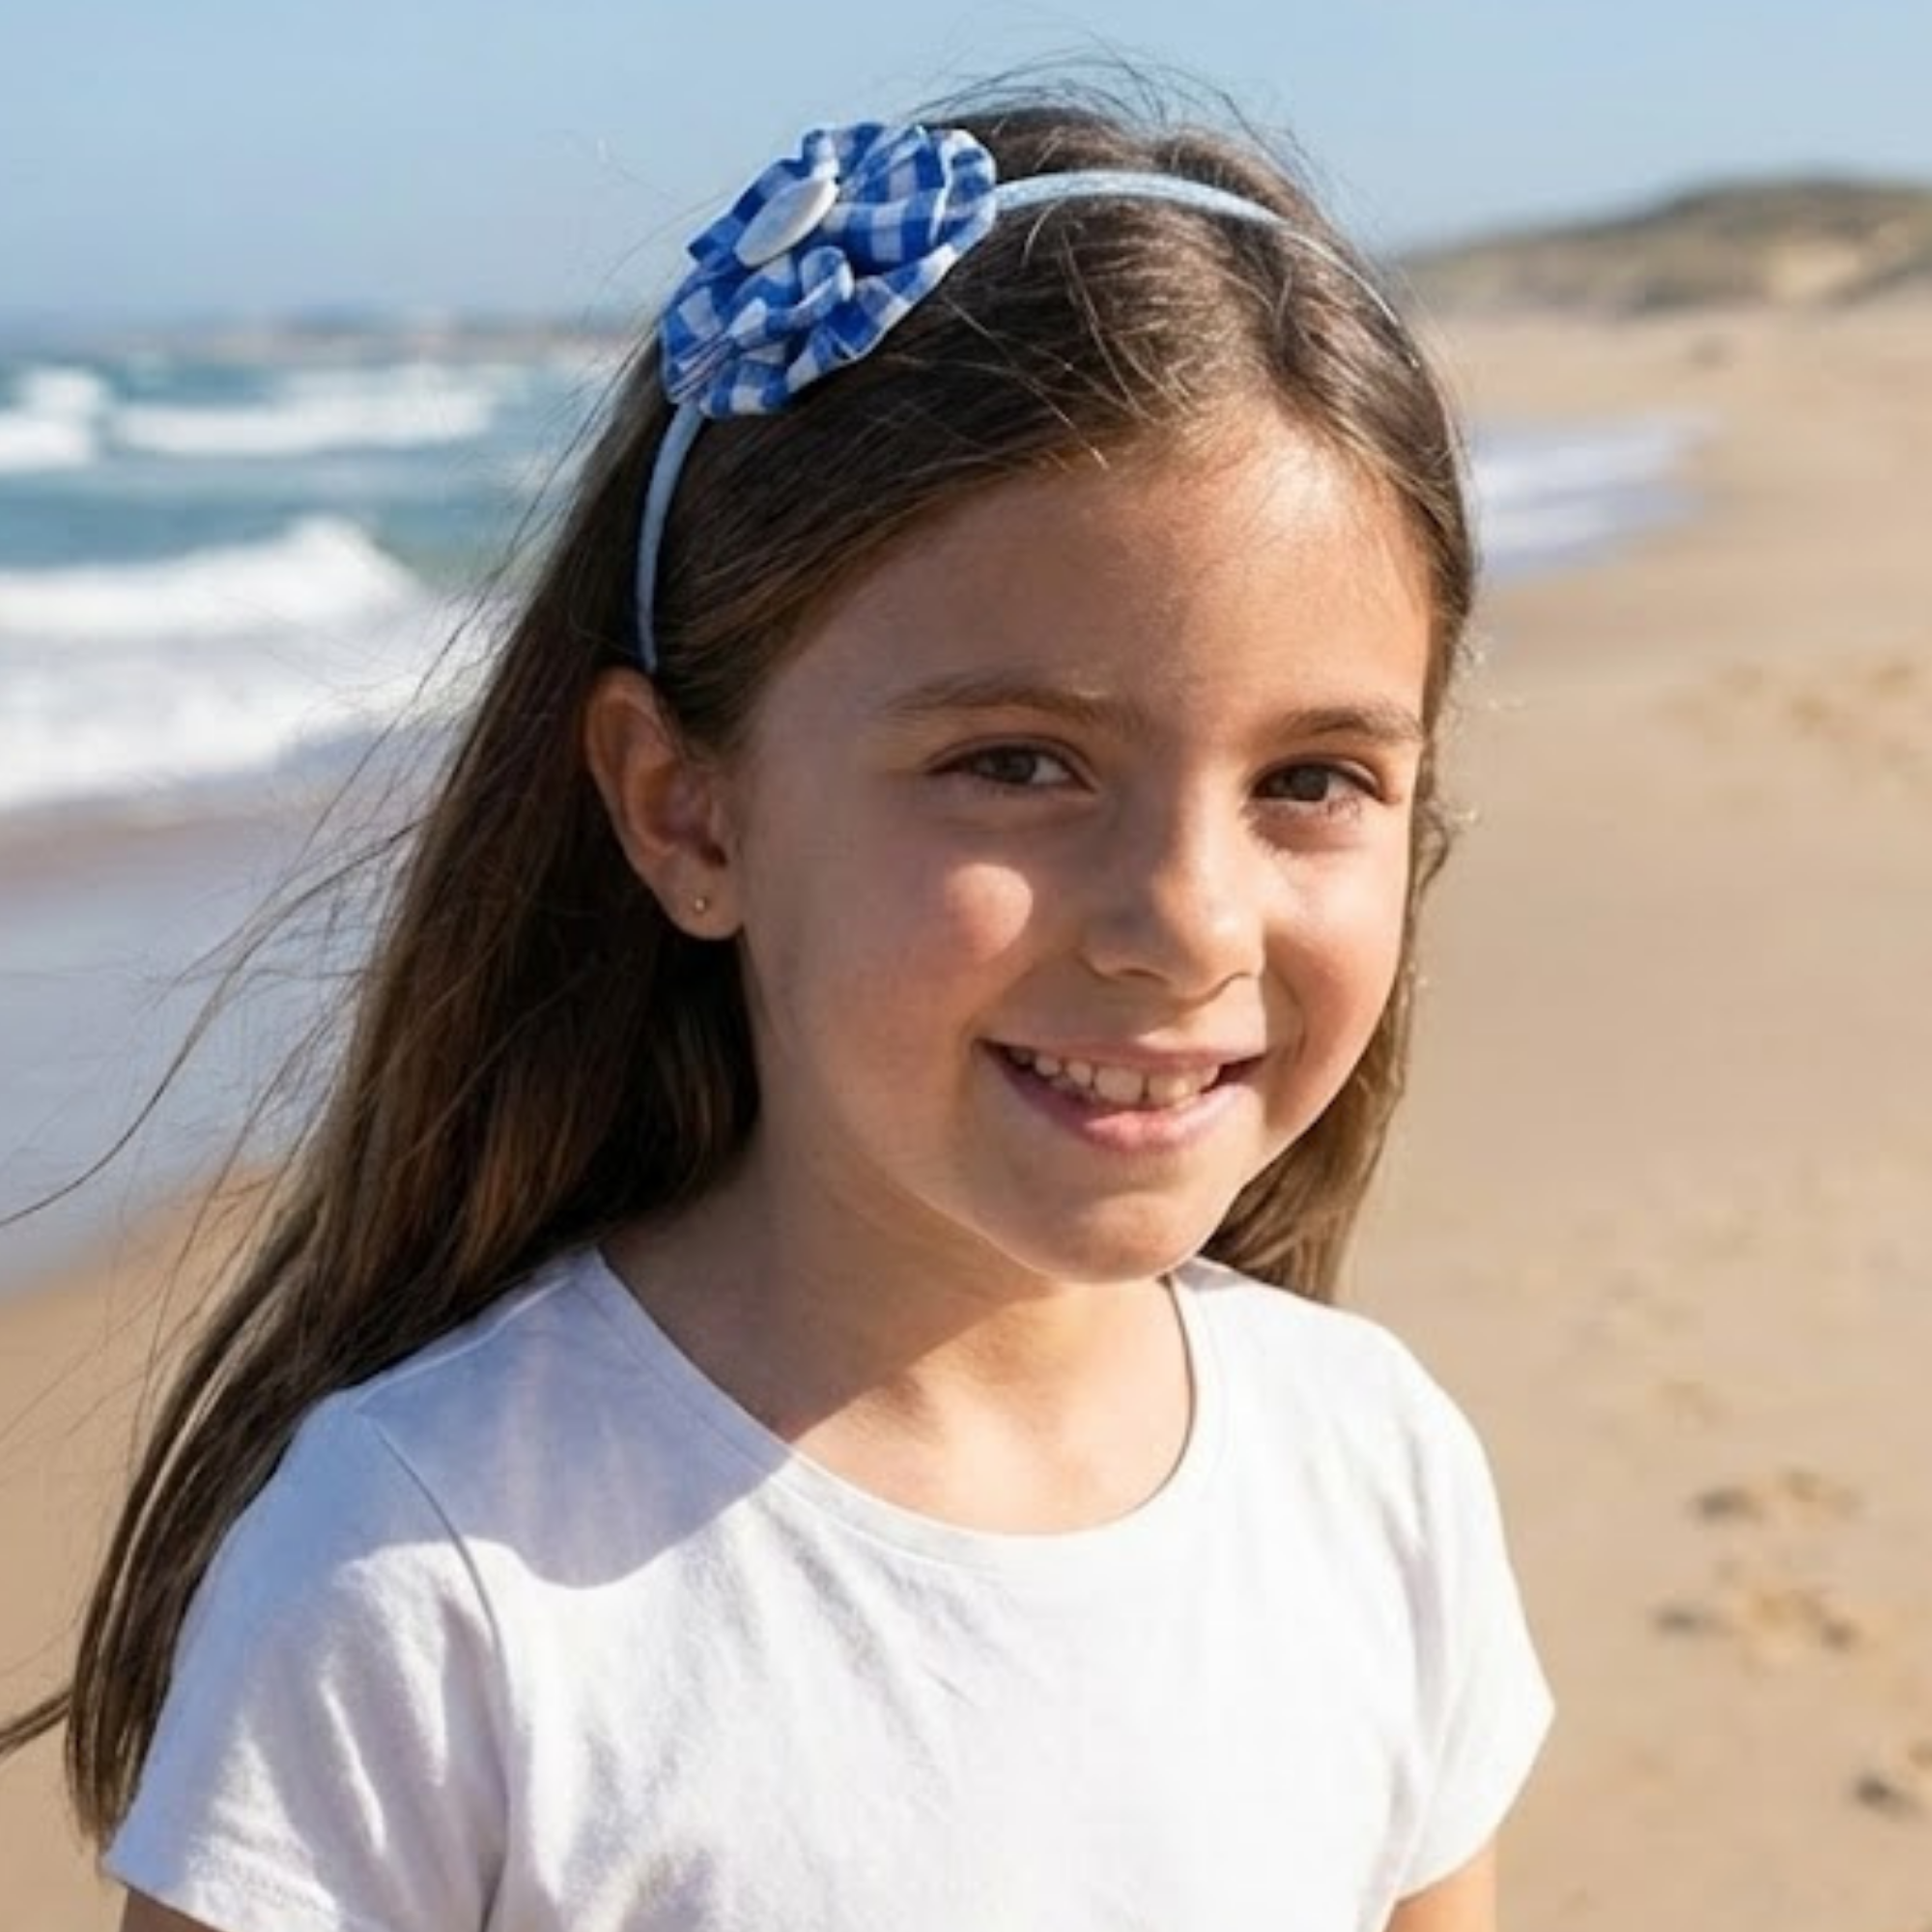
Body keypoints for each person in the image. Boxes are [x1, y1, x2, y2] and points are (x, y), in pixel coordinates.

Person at [3, 94, 1551, 1931]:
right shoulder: (430, 1581)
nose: (1185, 922)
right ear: (688, 808)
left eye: (1311, 779)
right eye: (1018, 761)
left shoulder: (1372, 1474)